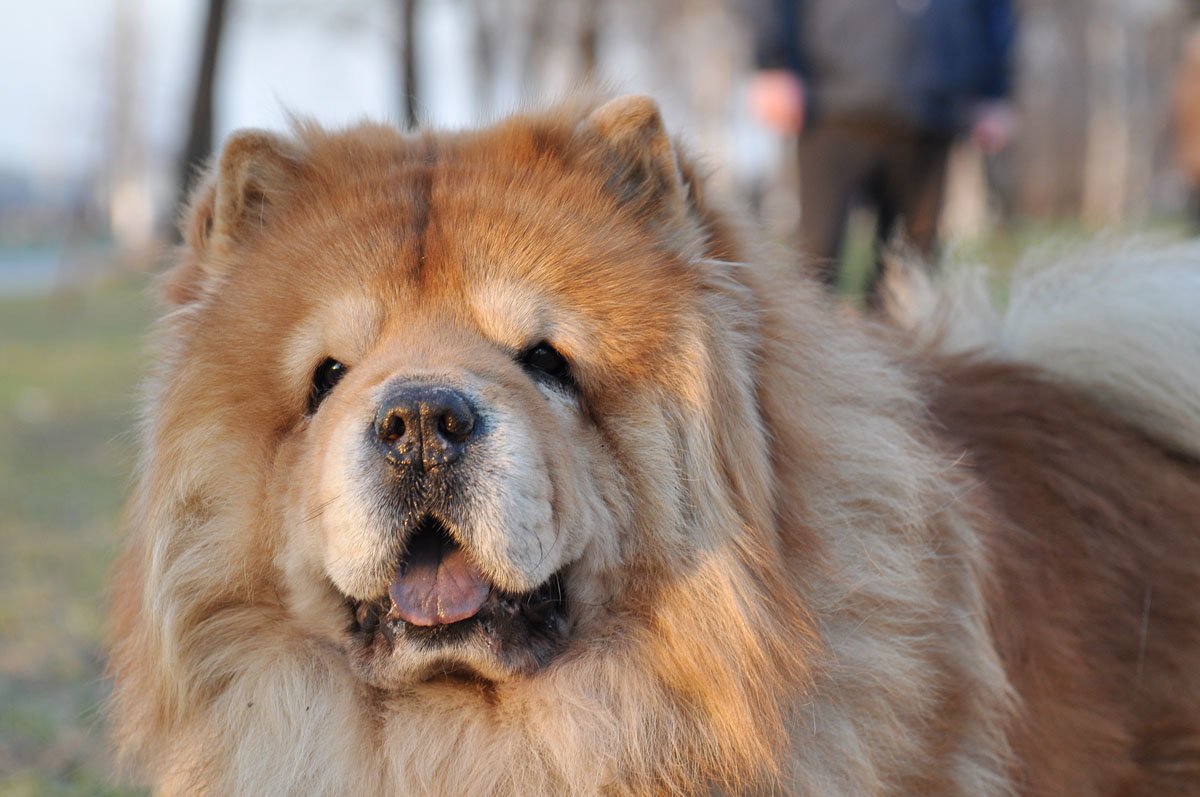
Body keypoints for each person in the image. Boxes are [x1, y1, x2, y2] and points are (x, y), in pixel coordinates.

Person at [747, 0, 1016, 304]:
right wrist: (772, 62)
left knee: (912, 274)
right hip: (833, 104)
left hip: (932, 105)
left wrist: (994, 88)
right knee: (816, 266)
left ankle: (897, 350)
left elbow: (997, 8)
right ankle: (807, 351)